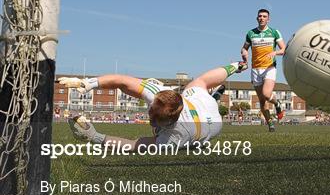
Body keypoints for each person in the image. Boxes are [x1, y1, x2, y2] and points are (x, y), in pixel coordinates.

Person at [58, 61, 247, 150]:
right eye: (150, 115)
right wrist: (87, 83)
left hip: (211, 127)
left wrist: (95, 136)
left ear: (171, 121)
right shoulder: (158, 93)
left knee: (166, 138)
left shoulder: (172, 138)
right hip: (201, 106)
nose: (150, 121)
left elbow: (134, 145)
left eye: (156, 121)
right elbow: (123, 81)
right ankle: (233, 69)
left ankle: (213, 100)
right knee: (198, 83)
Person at [241, 8, 286, 132]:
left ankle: (277, 104)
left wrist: (274, 52)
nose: (262, 18)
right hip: (255, 69)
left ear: (268, 19)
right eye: (260, 16)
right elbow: (244, 48)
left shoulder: (274, 32)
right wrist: (244, 53)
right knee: (261, 100)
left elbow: (283, 49)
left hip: (269, 68)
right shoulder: (251, 33)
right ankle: (270, 123)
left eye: (264, 16)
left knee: (266, 94)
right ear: (257, 18)